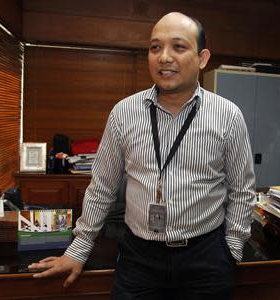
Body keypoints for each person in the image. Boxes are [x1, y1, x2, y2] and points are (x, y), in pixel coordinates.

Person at [29, 11, 256, 299]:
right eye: (155, 47)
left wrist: (232, 248)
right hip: (140, 258)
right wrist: (79, 249)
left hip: (206, 259)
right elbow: (102, 187)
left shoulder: (228, 116)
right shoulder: (124, 113)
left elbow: (242, 189)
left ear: (202, 58)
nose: (164, 57)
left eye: (178, 46)